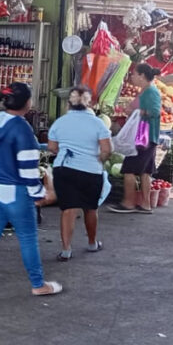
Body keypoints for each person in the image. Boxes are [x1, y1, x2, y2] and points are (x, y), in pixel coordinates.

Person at [0, 82, 62, 296]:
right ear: (27, 103)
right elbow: (29, 171)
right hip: (13, 192)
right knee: (28, 237)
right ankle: (38, 284)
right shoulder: (23, 129)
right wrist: (39, 194)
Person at [47, 87, 113, 261]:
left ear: (69, 103)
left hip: (65, 170)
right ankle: (92, 243)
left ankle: (66, 250)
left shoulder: (60, 122)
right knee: (90, 208)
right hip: (91, 171)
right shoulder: (98, 123)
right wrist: (100, 158)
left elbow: (52, 148)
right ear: (89, 103)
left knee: (68, 209)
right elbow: (107, 149)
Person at [110, 64, 162, 214]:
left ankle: (129, 203)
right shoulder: (146, 90)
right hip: (145, 135)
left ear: (142, 76)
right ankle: (145, 205)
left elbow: (155, 112)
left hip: (143, 136)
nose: (132, 77)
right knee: (145, 172)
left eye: (134, 74)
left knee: (129, 169)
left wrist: (136, 111)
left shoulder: (151, 92)